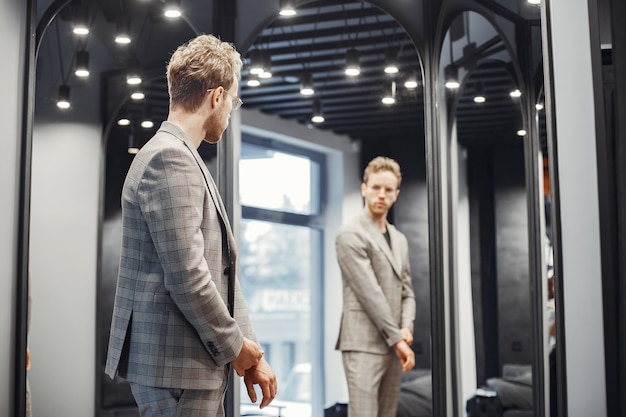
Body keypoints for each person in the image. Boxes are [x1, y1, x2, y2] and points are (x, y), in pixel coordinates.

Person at [104, 34, 277, 417]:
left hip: (187, 367)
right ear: (216, 97)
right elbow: (189, 278)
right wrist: (236, 348)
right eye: (233, 100)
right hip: (176, 368)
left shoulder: (182, 156)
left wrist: (250, 352)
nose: (232, 110)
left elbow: (222, 275)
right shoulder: (170, 158)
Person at [335, 156, 416, 417]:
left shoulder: (399, 239)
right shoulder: (350, 234)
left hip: (395, 342)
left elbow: (407, 291)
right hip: (363, 344)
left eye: (388, 190)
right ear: (364, 188)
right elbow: (370, 294)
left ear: (396, 194)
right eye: (376, 187)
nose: (381, 194)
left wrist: (406, 328)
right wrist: (398, 340)